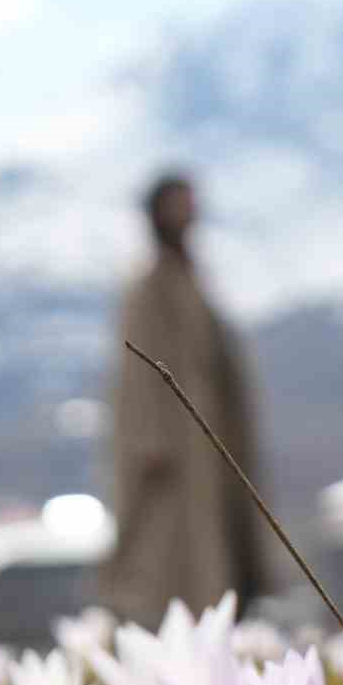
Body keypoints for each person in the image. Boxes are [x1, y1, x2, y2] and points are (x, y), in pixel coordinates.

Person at [102, 172, 275, 625]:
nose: (189, 214)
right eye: (178, 205)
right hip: (172, 450)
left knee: (215, 547)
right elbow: (136, 371)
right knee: (174, 555)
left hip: (210, 443)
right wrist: (149, 440)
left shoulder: (193, 279)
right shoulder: (148, 288)